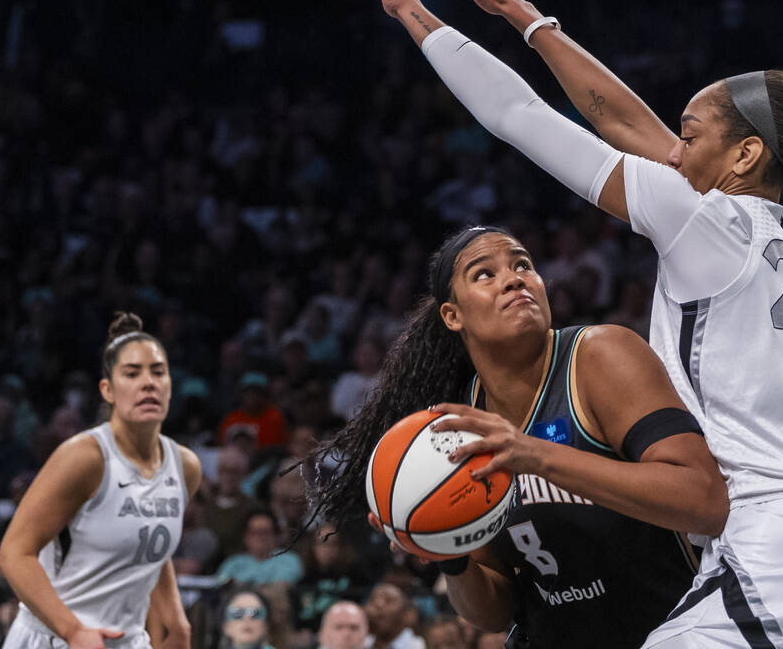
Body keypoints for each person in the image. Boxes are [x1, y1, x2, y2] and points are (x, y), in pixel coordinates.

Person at [344, 0, 783, 647]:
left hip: (779, 546)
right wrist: (526, 16)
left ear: (743, 158)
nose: (673, 149)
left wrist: (414, 15)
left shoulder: (706, 221)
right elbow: (622, 121)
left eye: (691, 134)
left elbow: (521, 117)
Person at [311, 227, 726, 649]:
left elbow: (707, 502)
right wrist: (450, 559)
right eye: (484, 274)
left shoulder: (599, 356)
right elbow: (495, 610)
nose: (514, 278)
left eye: (523, 265)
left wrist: (536, 455)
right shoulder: (461, 423)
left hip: (671, 633)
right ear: (453, 315)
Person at [0, 312, 201, 649]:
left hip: (130, 640)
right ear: (108, 390)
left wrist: (176, 623)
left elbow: (147, 543)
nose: (148, 382)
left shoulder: (185, 466)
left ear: (169, 386)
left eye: (158, 372)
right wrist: (73, 630)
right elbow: (13, 554)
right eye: (132, 374)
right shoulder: (85, 457)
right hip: (54, 638)